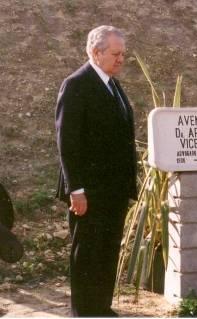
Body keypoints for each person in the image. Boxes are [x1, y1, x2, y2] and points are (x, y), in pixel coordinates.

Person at [55, 25, 137, 317]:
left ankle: (101, 307)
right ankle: (84, 312)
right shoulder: (77, 84)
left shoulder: (112, 84)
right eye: (116, 54)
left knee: (106, 251)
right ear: (95, 52)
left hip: (112, 191)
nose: (121, 59)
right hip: (88, 192)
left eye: (123, 54)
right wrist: (75, 189)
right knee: (87, 253)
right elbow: (67, 141)